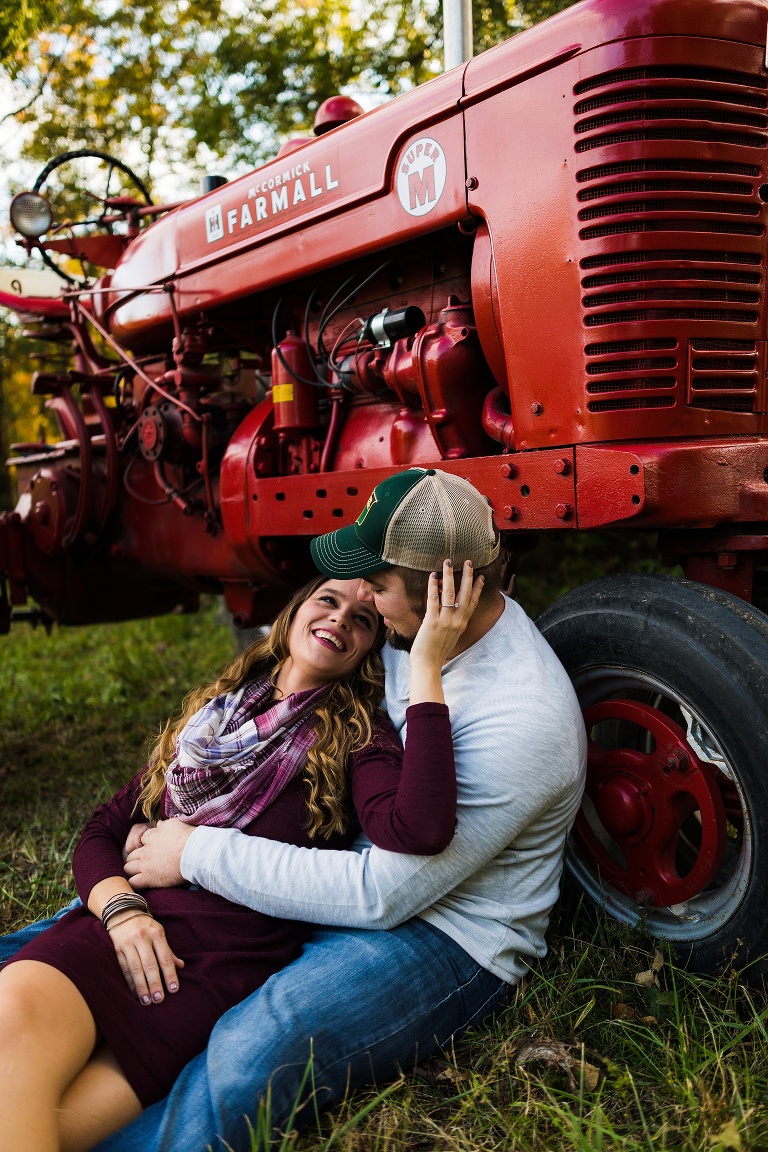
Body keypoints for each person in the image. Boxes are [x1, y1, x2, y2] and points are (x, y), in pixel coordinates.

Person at [1, 467, 587, 1152]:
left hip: (445, 923)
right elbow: (121, 820)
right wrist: (123, 895)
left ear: (440, 595)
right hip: (328, 868)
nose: (358, 599)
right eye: (343, 589)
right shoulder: (393, 640)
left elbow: (382, 893)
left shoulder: (521, 718)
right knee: (54, 945)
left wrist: (191, 851)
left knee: (260, 1041)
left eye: (374, 592)